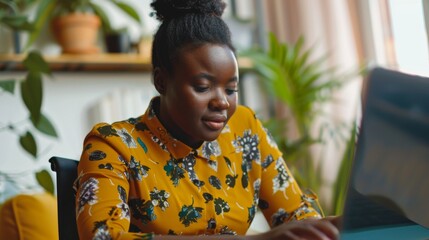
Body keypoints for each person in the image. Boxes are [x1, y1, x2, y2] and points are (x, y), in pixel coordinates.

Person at [75, 0, 340, 239]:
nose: (222, 102)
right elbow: (103, 237)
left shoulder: (244, 129)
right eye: (203, 87)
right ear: (161, 81)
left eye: (231, 89)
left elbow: (296, 214)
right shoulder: (113, 145)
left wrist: (336, 226)